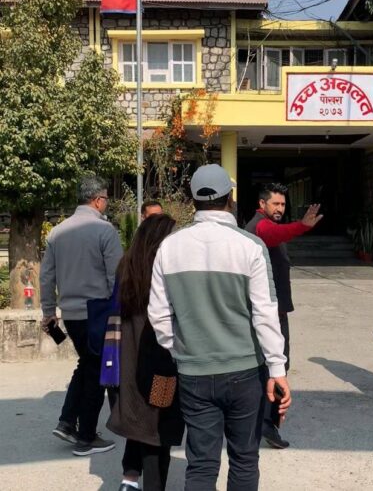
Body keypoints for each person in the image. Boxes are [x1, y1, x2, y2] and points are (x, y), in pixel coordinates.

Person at [148, 164, 291, 491]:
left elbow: (158, 314)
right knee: (244, 459)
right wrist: (277, 369)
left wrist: (180, 350)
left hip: (193, 372)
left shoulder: (169, 247)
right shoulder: (250, 246)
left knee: (201, 464)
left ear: (193, 200)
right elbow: (265, 314)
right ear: (230, 198)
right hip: (245, 371)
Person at [40, 175, 122, 456]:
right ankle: (86, 436)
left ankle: (66, 422)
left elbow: (46, 277)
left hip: (71, 314)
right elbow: (117, 276)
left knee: (87, 364)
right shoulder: (104, 230)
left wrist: (49, 311)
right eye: (106, 199)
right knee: (98, 371)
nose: (106, 203)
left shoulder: (57, 232)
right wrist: (121, 310)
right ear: (98, 200)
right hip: (99, 311)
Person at [107, 214, 184, 491]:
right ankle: (153, 485)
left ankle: (129, 479)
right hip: (159, 356)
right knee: (157, 427)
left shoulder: (126, 266)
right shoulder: (164, 270)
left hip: (126, 356)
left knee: (138, 418)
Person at [245, 183, 322, 449]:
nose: (280, 208)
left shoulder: (261, 225)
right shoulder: (260, 226)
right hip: (270, 312)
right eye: (275, 204)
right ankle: (268, 423)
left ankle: (262, 420)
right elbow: (277, 233)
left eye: (283, 204)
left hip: (271, 308)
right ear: (262, 204)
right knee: (277, 366)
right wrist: (302, 226)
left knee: (266, 366)